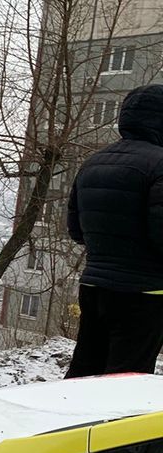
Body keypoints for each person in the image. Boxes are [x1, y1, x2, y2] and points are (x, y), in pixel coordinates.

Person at [66, 83, 163, 378]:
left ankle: (64, 420)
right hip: (143, 292)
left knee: (84, 369)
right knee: (124, 381)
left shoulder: (93, 162)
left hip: (94, 287)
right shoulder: (160, 165)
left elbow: (76, 230)